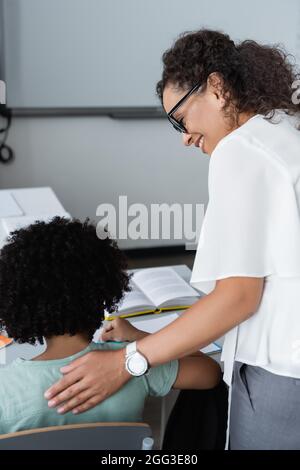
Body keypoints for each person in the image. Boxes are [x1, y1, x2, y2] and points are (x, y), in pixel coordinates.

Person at [44, 29, 300, 449]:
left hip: (282, 379)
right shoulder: (285, 129)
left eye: (179, 118)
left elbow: (239, 296)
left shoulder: (239, 151)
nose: (184, 136)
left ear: (216, 88)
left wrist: (128, 362)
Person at [0, 216, 221, 434]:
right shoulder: (133, 365)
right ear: (103, 292)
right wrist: (137, 336)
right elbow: (210, 373)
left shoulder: (6, 386)